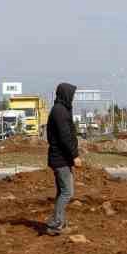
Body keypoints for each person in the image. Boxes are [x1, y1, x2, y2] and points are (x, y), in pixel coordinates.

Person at [45, 82, 79, 235]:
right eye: (71, 95)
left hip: (61, 158)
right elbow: (65, 137)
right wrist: (75, 155)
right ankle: (55, 224)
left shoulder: (61, 110)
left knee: (62, 192)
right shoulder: (60, 111)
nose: (72, 98)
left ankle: (60, 223)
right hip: (61, 159)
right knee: (67, 192)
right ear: (65, 94)